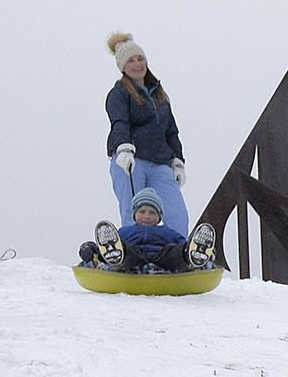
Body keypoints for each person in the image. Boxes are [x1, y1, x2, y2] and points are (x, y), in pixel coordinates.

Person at [104, 32, 188, 233]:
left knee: (176, 214)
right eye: (130, 60)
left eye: (140, 58)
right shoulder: (119, 93)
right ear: (123, 67)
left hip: (159, 162)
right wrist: (123, 148)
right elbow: (119, 121)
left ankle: (179, 255)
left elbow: (171, 131)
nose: (137, 64)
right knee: (134, 212)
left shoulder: (159, 94)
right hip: (131, 161)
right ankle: (134, 254)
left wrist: (177, 161)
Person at [77, 188, 215, 273]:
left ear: (160, 216)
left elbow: (182, 244)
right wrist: (90, 248)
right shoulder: (126, 232)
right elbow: (103, 248)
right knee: (126, 250)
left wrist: (187, 249)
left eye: (152, 213)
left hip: (163, 258)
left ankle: (197, 254)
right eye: (142, 211)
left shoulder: (167, 232)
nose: (147, 216)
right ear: (134, 214)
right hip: (134, 258)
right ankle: (115, 256)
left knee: (174, 252)